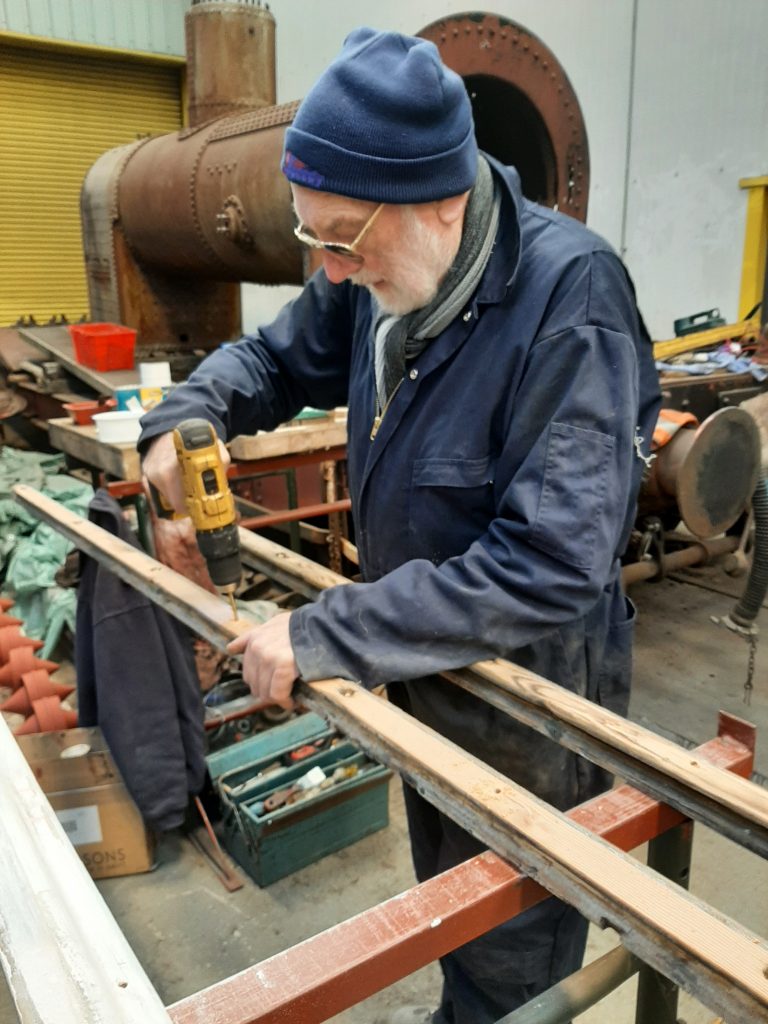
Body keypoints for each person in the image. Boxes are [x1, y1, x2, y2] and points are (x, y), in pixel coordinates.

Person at [139, 26, 661, 1024]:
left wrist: (327, 629)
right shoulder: (380, 269)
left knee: (514, 941)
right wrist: (188, 416)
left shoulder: (569, 303)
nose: (329, 270)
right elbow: (275, 358)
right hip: (423, 665)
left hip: (526, 705)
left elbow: (551, 562)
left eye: (342, 239)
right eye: (314, 239)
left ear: (440, 202)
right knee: (450, 898)